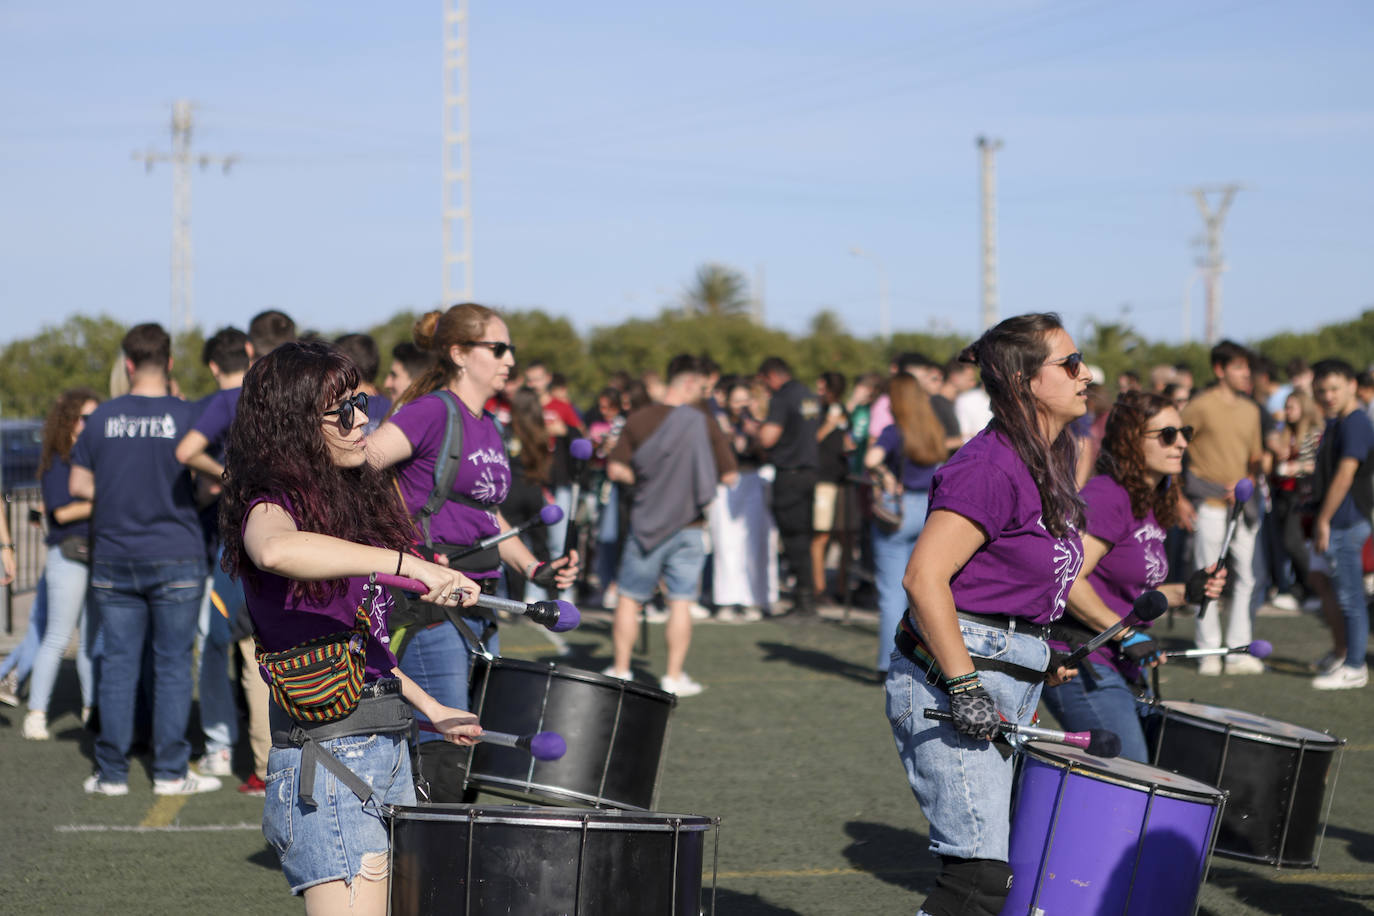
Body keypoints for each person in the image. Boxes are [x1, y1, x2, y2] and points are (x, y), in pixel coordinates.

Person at [219, 340, 483, 911]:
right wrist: (404, 564)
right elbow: (274, 551)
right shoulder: (269, 503)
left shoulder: (342, 504)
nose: (364, 418)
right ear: (295, 425)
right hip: (330, 760)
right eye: (343, 410)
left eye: (360, 401)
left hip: (382, 745)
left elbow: (362, 648)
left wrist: (432, 709)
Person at [885, 313, 1083, 916]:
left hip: (1002, 676)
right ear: (1025, 381)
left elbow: (1015, 575)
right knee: (977, 878)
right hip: (956, 679)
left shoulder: (1047, 456)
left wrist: (1044, 645)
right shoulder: (989, 467)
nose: (1086, 374)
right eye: (1070, 364)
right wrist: (966, 686)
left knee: (996, 872)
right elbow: (924, 577)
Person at [365, 304, 577, 800]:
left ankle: (445, 860)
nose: (509, 360)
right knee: (444, 748)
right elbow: (361, 466)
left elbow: (488, 515)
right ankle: (418, 868)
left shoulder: (487, 424)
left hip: (482, 602)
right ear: (460, 353)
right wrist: (405, 551)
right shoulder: (433, 411)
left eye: (511, 350)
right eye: (498, 349)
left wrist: (534, 567)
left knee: (468, 746)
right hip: (433, 606)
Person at [70, 323, 216, 796]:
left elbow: (77, 486)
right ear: (169, 363)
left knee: (118, 664)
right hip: (177, 553)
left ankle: (112, 773)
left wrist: (117, 493)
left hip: (114, 555)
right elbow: (210, 485)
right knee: (173, 665)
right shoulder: (188, 413)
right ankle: (170, 772)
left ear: (128, 364)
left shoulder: (101, 418)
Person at [1043, 392, 1226, 762]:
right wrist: (1125, 633)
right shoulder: (1108, 496)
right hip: (1078, 658)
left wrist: (1185, 592)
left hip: (1117, 660)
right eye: (1168, 434)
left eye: (1184, 432)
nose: (1182, 443)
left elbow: (1127, 590)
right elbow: (1067, 578)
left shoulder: (1154, 498)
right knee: (1129, 772)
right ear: (1130, 441)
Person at [604, 355, 737, 695]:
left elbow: (615, 469)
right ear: (689, 384)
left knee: (630, 598)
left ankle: (621, 668)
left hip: (646, 522)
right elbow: (730, 474)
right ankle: (674, 676)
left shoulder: (638, 420)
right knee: (680, 601)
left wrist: (642, 477)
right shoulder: (704, 423)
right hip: (690, 525)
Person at [20, 388, 101, 740]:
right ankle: (36, 713)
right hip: (67, 556)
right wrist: (109, 498)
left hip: (95, 555)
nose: (91, 424)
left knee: (91, 641)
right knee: (57, 637)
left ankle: (91, 710)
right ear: (68, 420)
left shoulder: (95, 457)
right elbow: (61, 512)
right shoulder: (57, 461)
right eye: (86, 417)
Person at [1181, 340, 1264, 674]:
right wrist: (1178, 497)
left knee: (1248, 578)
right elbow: (1175, 444)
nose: (1246, 374)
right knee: (1208, 576)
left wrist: (1248, 479)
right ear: (1220, 370)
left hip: (1243, 506)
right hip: (1209, 504)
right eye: (1239, 367)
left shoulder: (1252, 409)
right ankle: (1209, 652)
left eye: (1247, 367)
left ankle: (1238, 651)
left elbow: (1256, 457)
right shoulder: (1199, 406)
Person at [864, 374, 947, 678]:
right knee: (923, 589)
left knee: (891, 593)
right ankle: (921, 658)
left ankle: (888, 663)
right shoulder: (932, 429)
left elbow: (871, 459)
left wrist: (885, 476)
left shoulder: (893, 430)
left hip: (898, 512)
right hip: (929, 511)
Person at [1309, 359, 1373, 689]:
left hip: (1348, 522)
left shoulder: (1356, 422)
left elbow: (1345, 474)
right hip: (1339, 520)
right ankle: (1343, 654)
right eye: (1321, 390)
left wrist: (1323, 519)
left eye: (1334, 388)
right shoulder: (1338, 422)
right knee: (1330, 585)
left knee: (1351, 597)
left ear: (1351, 384)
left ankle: (1354, 665)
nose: (1328, 395)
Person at [756, 356, 821, 618]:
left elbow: (768, 437)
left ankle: (803, 600)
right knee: (803, 537)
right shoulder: (808, 395)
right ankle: (805, 596)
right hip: (809, 473)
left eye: (764, 382)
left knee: (793, 539)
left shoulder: (782, 397)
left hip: (789, 475)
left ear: (771, 375)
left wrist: (755, 430)